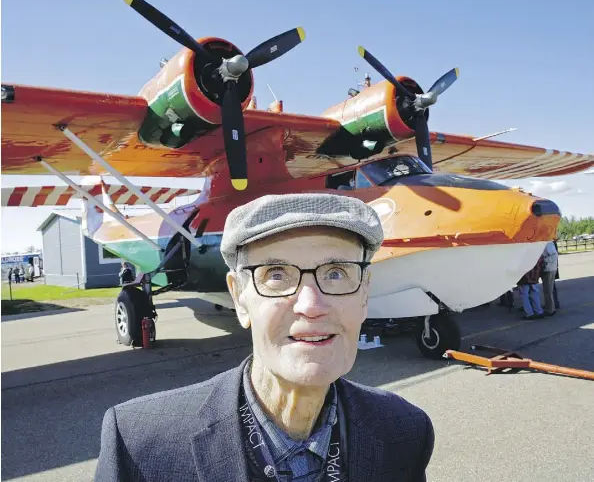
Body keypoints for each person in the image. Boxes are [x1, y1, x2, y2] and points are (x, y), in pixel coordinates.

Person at [95, 193, 435, 482]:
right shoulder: (138, 446)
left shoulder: (404, 432)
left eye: (336, 273)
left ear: (364, 294)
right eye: (276, 274)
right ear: (240, 297)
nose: (311, 306)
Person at [540, 241, 559, 316]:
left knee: (548, 290)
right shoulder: (546, 243)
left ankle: (550, 310)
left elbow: (554, 255)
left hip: (549, 269)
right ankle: (550, 306)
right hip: (548, 269)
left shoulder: (548, 243)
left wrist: (544, 260)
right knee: (547, 290)